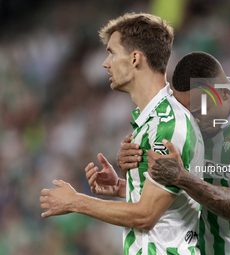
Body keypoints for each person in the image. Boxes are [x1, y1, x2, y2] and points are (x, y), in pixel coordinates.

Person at [40, 13, 204, 255]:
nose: (106, 63)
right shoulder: (151, 120)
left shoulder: (168, 125)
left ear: (135, 58)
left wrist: (76, 201)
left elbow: (146, 215)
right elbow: (171, 198)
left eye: (112, 53)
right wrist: (122, 187)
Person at [118, 52, 230, 254]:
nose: (193, 121)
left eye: (200, 110)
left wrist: (182, 178)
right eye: (186, 112)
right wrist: (130, 171)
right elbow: (179, 190)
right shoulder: (189, 127)